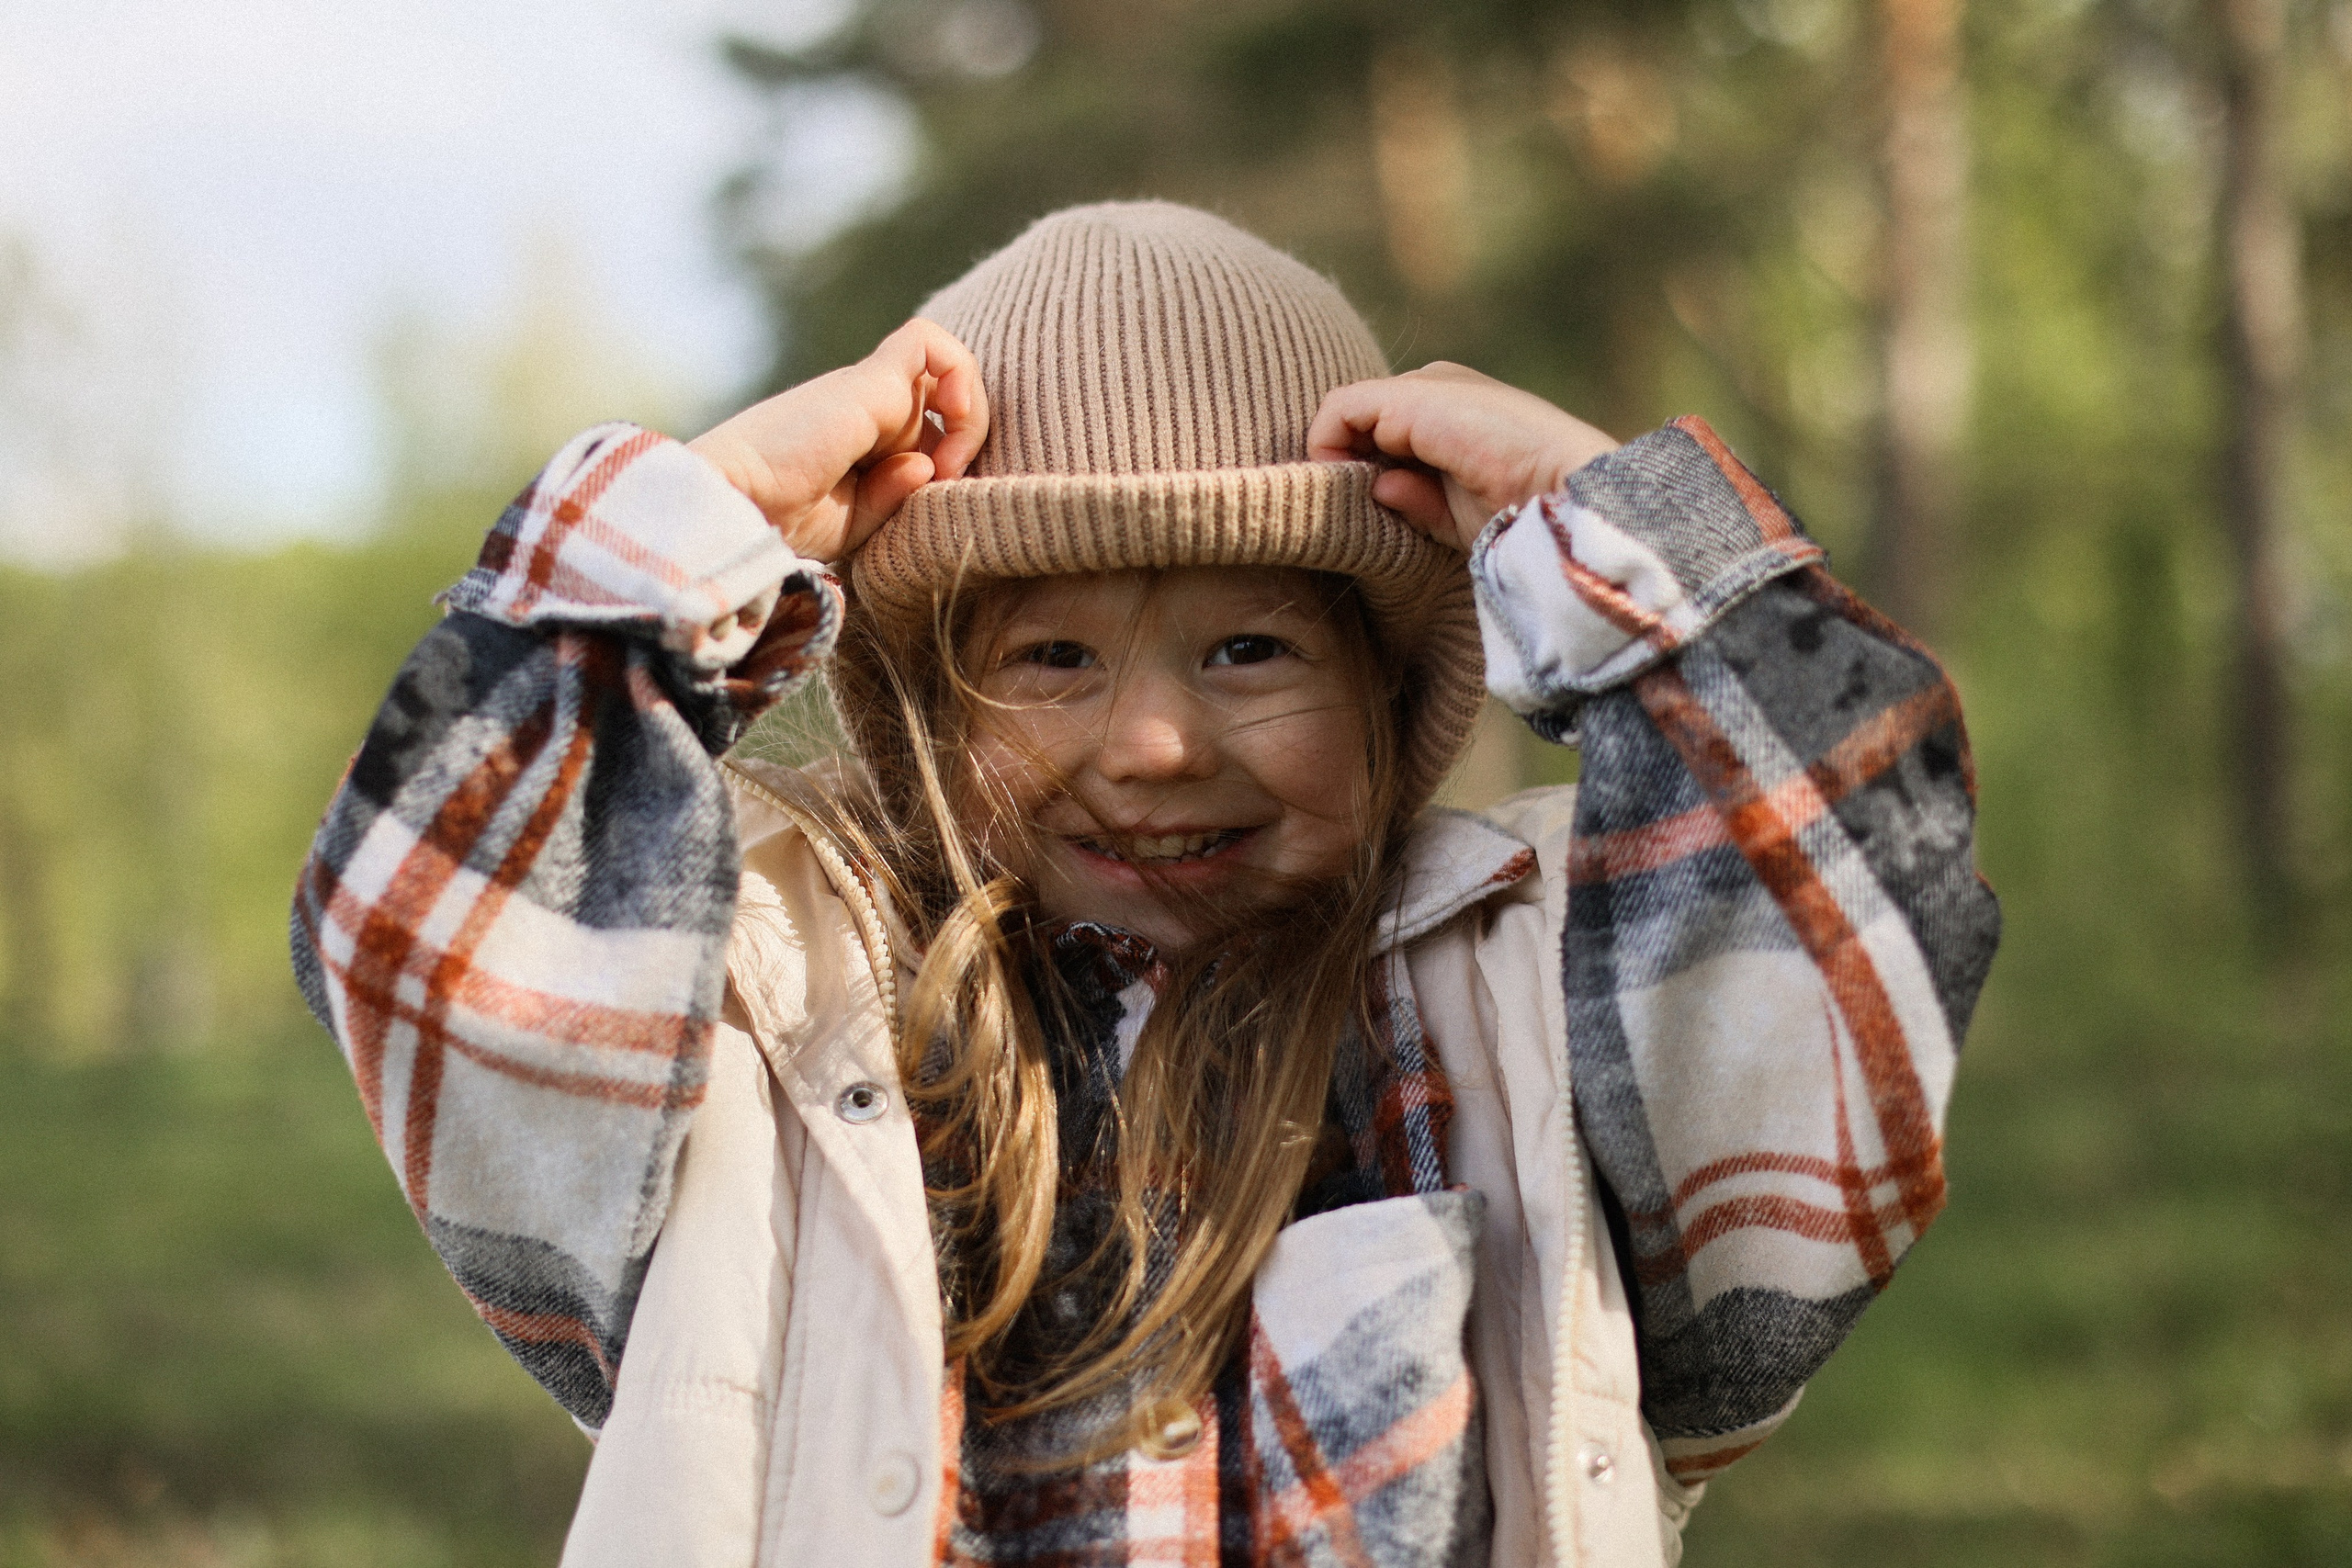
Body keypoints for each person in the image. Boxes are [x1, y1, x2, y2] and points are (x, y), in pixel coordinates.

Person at [291, 202, 1997, 1568]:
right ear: (923, 717)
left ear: (1394, 698)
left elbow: (1867, 912)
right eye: (1051, 659)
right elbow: (428, 937)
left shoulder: (1542, 1012)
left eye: (1251, 647)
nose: (1159, 743)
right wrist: (699, 528)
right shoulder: (756, 1017)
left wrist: (1612, 529)